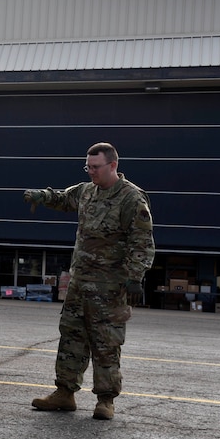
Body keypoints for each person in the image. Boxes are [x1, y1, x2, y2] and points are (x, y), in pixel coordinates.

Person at [23, 142, 155, 420]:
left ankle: (106, 400)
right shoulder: (86, 192)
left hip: (110, 288)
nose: (91, 172)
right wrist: (41, 196)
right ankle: (64, 393)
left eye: (96, 167)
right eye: (88, 167)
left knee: (106, 343)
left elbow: (141, 241)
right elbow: (62, 198)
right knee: (71, 336)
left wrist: (135, 278)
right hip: (80, 283)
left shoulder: (132, 199)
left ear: (113, 166)